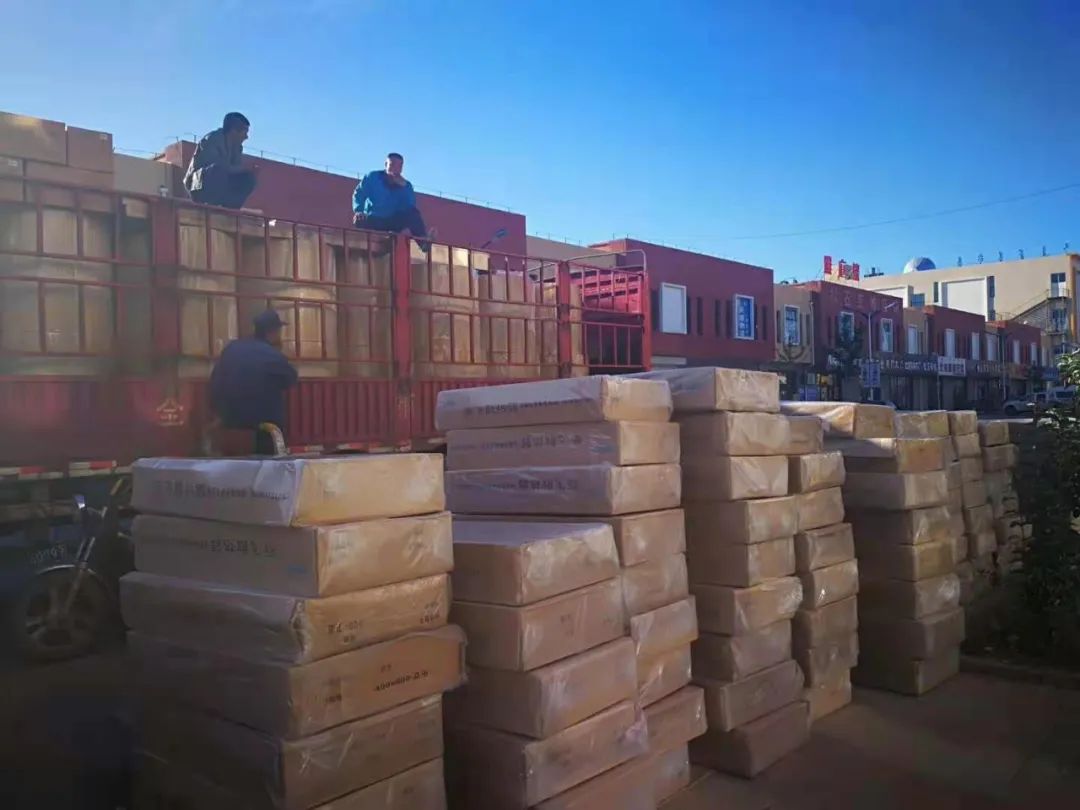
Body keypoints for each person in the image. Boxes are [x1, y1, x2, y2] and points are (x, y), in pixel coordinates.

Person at [209, 310, 298, 455]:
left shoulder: (232, 348)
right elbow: (291, 379)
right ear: (273, 332)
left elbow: (216, 381)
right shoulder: (272, 355)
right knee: (269, 461)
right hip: (264, 428)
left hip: (229, 425)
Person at [352, 152, 433, 250]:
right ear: (386, 164)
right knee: (359, 220)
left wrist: (403, 189)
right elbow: (359, 193)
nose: (395, 170)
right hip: (374, 218)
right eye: (392, 165)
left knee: (413, 214)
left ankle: (423, 243)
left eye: (399, 167)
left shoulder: (406, 185)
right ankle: (364, 243)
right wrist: (359, 210)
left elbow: (410, 207)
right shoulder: (372, 177)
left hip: (392, 221)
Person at [184, 112, 259, 209]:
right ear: (234, 131)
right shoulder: (213, 139)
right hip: (197, 185)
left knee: (248, 178)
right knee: (218, 170)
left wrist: (249, 170)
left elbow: (236, 170)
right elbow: (216, 167)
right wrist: (243, 168)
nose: (246, 137)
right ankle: (211, 205)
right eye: (245, 132)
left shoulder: (237, 147)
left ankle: (230, 208)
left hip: (221, 184)